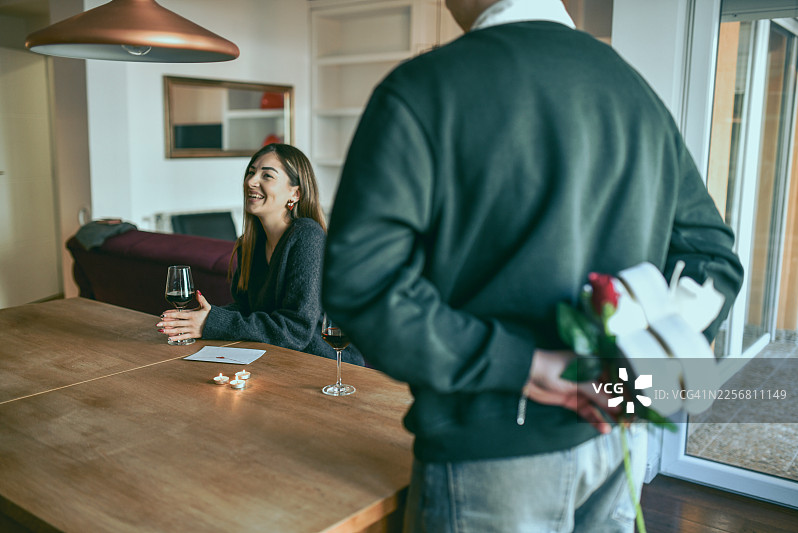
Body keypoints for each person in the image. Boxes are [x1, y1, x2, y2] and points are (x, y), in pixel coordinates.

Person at [321, 0, 743, 531]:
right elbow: (713, 262)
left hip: (490, 457)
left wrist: (524, 365)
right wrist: (638, 367)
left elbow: (362, 284)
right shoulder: (635, 93)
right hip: (615, 448)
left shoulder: (424, 88)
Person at [158, 143, 363, 366]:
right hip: (278, 362)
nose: (251, 181)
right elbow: (247, 309)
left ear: (295, 193)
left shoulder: (307, 236)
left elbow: (296, 330)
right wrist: (202, 316)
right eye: (251, 172)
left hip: (325, 367)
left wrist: (212, 322)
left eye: (267, 175)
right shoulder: (250, 244)